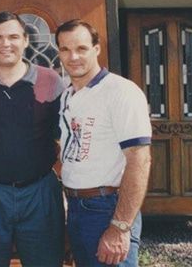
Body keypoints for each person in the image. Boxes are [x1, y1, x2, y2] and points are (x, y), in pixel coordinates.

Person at [0, 11, 65, 266]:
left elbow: (63, 134)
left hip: (39, 192)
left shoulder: (51, 80)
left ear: (26, 40)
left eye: (13, 36)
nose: (6, 44)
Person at [55, 19, 152, 267]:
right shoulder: (68, 95)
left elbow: (139, 160)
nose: (73, 56)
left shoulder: (120, 91)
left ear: (97, 49)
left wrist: (120, 227)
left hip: (107, 208)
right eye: (65, 49)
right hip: (77, 208)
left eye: (81, 48)